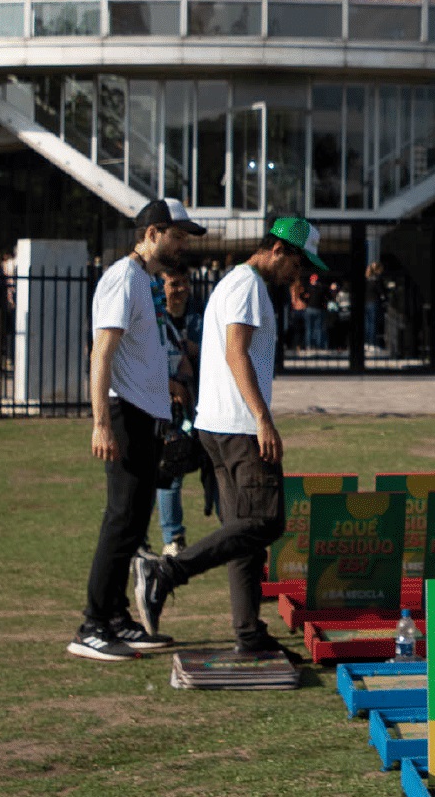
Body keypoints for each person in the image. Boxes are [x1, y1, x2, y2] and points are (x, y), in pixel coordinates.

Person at [134, 217, 324, 661]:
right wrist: (262, 417)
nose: (299, 273)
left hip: (217, 424)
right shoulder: (248, 287)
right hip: (238, 427)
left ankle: (249, 633)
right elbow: (236, 351)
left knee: (243, 532)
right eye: (298, 262)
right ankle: (166, 572)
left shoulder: (238, 283)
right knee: (266, 522)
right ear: (278, 249)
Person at [66, 199, 202, 662]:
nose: (182, 245)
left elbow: (137, 355)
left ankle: (117, 617)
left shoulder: (143, 282)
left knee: (134, 522)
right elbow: (101, 352)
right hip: (123, 415)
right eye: (177, 236)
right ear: (152, 232)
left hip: (145, 416)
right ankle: (92, 625)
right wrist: (100, 422)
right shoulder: (123, 279)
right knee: (121, 520)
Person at [154, 266, 205, 558]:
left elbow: (210, 347)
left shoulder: (196, 315)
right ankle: (172, 535)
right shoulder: (157, 320)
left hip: (197, 400)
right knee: (169, 469)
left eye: (184, 283)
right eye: (174, 284)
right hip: (166, 406)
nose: (181, 289)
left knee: (207, 465)